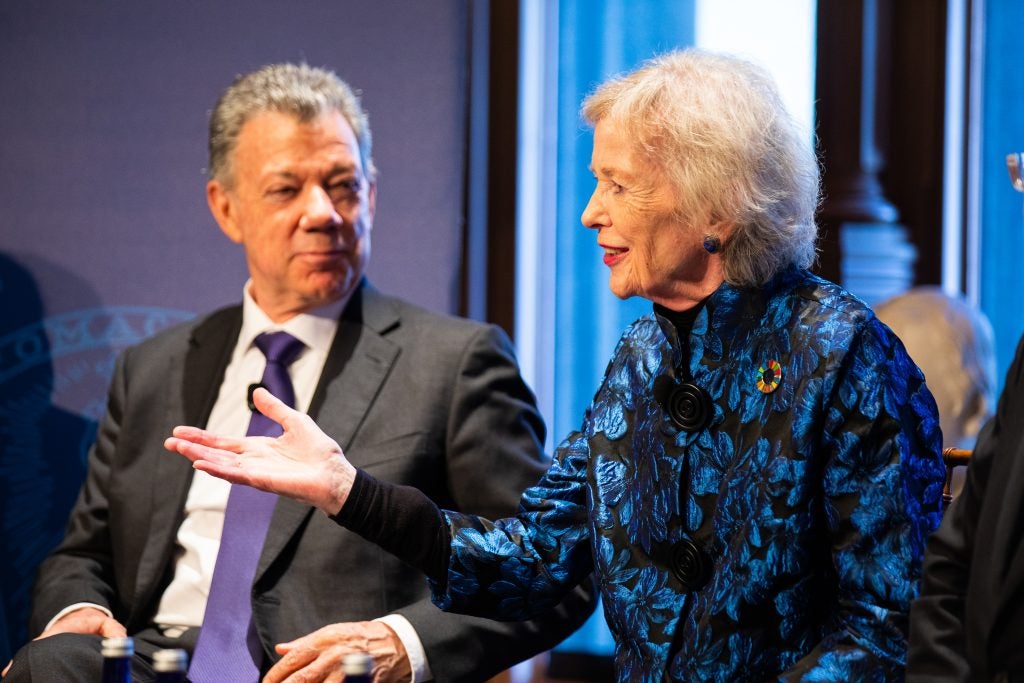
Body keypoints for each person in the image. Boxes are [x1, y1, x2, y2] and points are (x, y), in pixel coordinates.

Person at [167, 50, 946, 682]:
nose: (590, 212)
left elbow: (884, 631)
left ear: (716, 205)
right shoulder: (643, 357)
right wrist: (350, 491)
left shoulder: (844, 355)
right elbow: (536, 559)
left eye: (618, 185)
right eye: (593, 182)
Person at [4, 63, 594, 683]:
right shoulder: (153, 367)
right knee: (53, 664)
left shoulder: (454, 362)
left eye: (342, 185)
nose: (323, 213)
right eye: (287, 189)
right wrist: (80, 609)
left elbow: (551, 572)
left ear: (370, 195)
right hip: (157, 661)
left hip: (323, 670)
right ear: (225, 207)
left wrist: (401, 643)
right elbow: (84, 552)